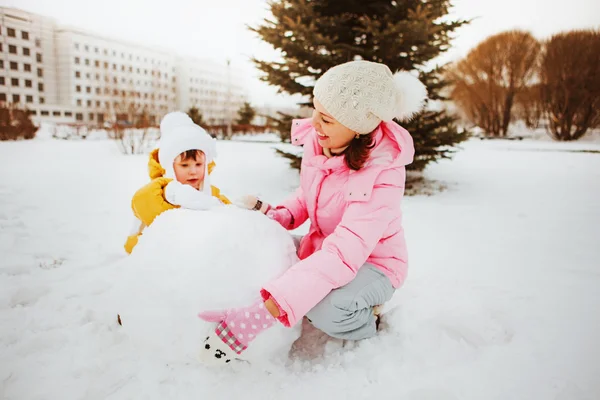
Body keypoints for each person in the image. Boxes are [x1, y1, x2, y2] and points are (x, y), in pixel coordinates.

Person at [198, 60, 427, 365]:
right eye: (315, 110)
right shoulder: (321, 142)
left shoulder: (383, 174)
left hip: (376, 264)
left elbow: (346, 250)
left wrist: (260, 316)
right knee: (267, 251)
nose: (314, 124)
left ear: (358, 128)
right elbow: (309, 195)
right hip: (326, 250)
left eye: (327, 119)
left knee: (325, 309)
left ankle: (366, 321)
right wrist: (276, 216)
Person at [124, 112, 230, 254]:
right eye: (184, 165)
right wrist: (171, 194)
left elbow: (231, 217)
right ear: (170, 167)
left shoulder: (212, 193)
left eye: (198, 164)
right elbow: (141, 202)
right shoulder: (157, 193)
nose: (193, 171)